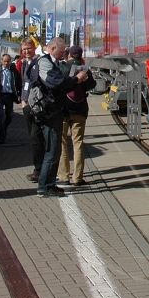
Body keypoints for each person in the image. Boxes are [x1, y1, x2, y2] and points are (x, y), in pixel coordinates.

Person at [36, 38, 89, 197]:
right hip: (56, 111)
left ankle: (55, 180)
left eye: (65, 51)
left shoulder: (57, 65)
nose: (63, 54)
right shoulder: (46, 63)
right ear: (52, 49)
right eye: (61, 51)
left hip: (61, 110)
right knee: (55, 148)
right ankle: (47, 185)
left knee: (58, 147)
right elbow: (57, 84)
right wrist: (77, 79)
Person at [58, 45, 96, 186]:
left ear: (68, 55)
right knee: (78, 142)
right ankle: (77, 178)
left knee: (62, 142)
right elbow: (92, 85)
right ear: (80, 56)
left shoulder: (62, 68)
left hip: (63, 110)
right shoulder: (85, 69)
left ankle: (63, 176)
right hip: (80, 110)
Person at [19, 39, 45, 182]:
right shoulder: (24, 63)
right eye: (24, 49)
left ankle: (39, 169)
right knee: (32, 137)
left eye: (29, 48)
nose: (26, 51)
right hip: (26, 105)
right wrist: (23, 101)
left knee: (36, 137)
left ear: (34, 48)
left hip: (35, 106)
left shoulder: (38, 63)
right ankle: (38, 168)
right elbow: (24, 83)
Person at [0, 53, 22, 144]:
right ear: (1, 61)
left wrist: (18, 93)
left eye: (8, 61)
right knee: (0, 116)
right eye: (4, 61)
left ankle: (4, 127)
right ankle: (2, 136)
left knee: (10, 115)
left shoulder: (13, 71)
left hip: (9, 95)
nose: (6, 63)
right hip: (0, 95)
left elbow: (18, 83)